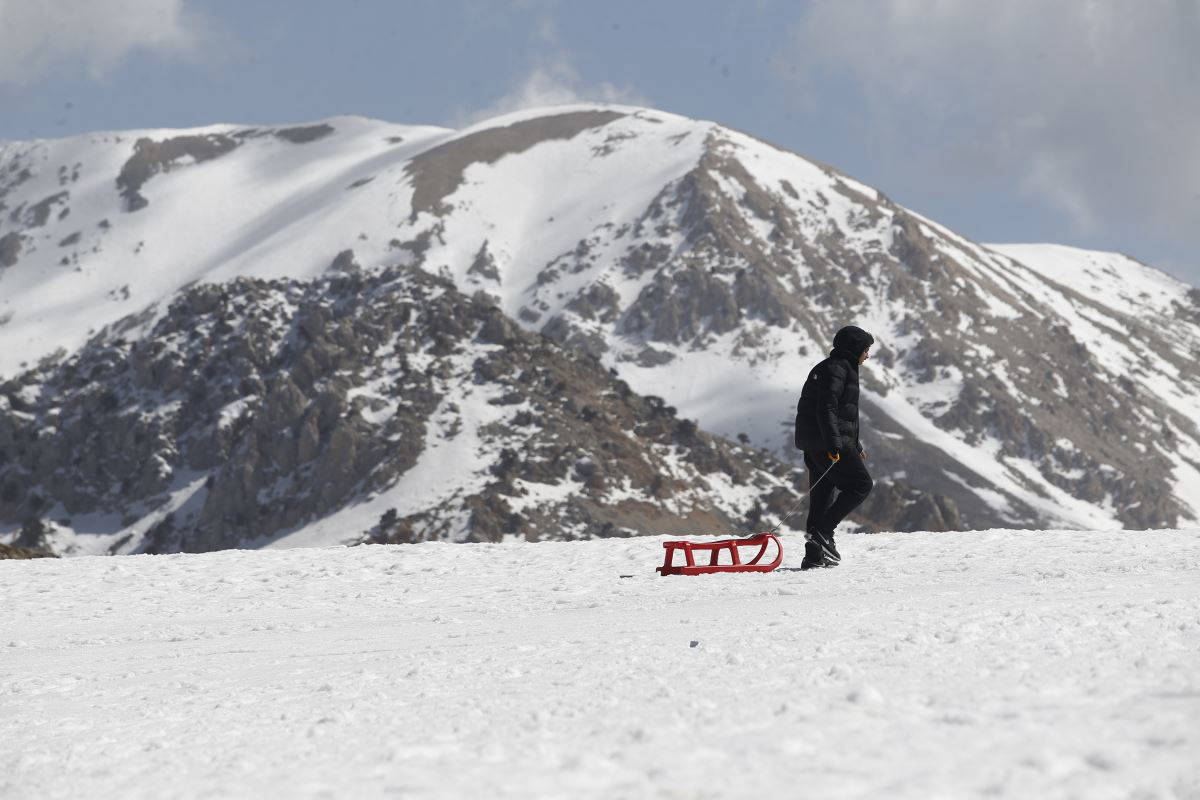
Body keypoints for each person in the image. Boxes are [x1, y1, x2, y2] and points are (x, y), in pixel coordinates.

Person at [794, 325, 875, 569]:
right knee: (862, 485)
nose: (867, 355)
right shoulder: (837, 369)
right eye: (866, 350)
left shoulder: (833, 368)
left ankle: (814, 555)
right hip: (828, 443)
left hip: (817, 443)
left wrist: (855, 443)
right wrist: (835, 445)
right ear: (854, 349)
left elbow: (842, 413)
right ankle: (823, 533)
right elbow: (827, 408)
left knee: (822, 496)